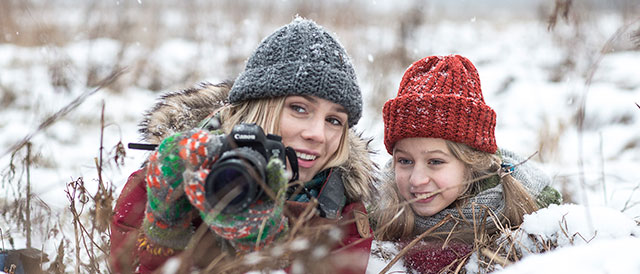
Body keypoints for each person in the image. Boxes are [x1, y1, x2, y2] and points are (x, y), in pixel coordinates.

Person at [109, 18, 376, 274]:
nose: (318, 134)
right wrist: (166, 227)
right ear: (257, 108)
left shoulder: (343, 210)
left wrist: (266, 248)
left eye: (333, 120)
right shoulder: (169, 176)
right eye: (299, 108)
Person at [370, 55, 562, 273]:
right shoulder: (375, 213)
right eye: (405, 161)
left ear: (472, 164)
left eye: (435, 162)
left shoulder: (530, 217)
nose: (417, 179)